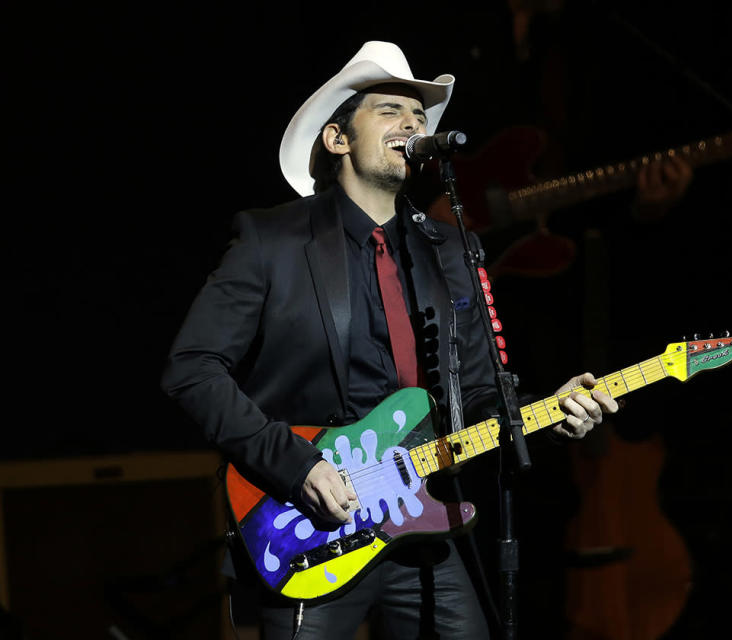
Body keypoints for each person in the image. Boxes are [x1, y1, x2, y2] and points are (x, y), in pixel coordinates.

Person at [160, 41, 617, 640]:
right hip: (309, 524)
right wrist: (296, 467)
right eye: (389, 110)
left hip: (421, 527)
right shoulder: (271, 241)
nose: (412, 123)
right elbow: (192, 368)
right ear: (337, 139)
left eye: (419, 115)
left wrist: (543, 415)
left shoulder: (451, 250)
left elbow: (476, 396)